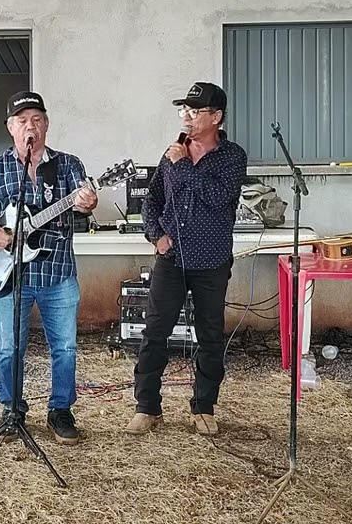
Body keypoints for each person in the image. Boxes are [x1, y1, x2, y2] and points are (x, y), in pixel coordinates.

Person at [0, 91, 98, 446]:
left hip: (58, 273)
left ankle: (60, 410)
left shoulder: (68, 165)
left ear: (46, 124)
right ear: (10, 128)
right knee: (9, 348)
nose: (29, 126)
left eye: (36, 119)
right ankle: (11, 409)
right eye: (22, 121)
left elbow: (83, 203)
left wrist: (87, 202)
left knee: (64, 347)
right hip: (9, 278)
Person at [126, 82, 247, 437]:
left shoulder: (232, 156)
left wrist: (182, 167)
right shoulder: (173, 154)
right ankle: (147, 406)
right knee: (154, 332)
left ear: (217, 118)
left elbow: (218, 197)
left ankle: (204, 407)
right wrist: (155, 236)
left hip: (211, 260)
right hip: (172, 258)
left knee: (209, 335)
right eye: (184, 111)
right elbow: (153, 200)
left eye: (195, 111)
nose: (187, 117)